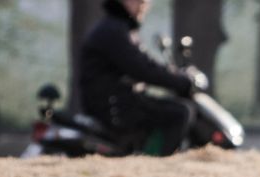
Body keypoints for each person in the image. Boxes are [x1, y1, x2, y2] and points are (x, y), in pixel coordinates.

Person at [80, 0, 194, 156]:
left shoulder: (117, 28)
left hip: (115, 101)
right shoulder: (113, 30)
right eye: (139, 1)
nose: (143, 5)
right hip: (114, 105)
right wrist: (180, 82)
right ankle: (158, 166)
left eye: (145, 2)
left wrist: (172, 74)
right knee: (180, 113)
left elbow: (145, 63)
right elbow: (142, 69)